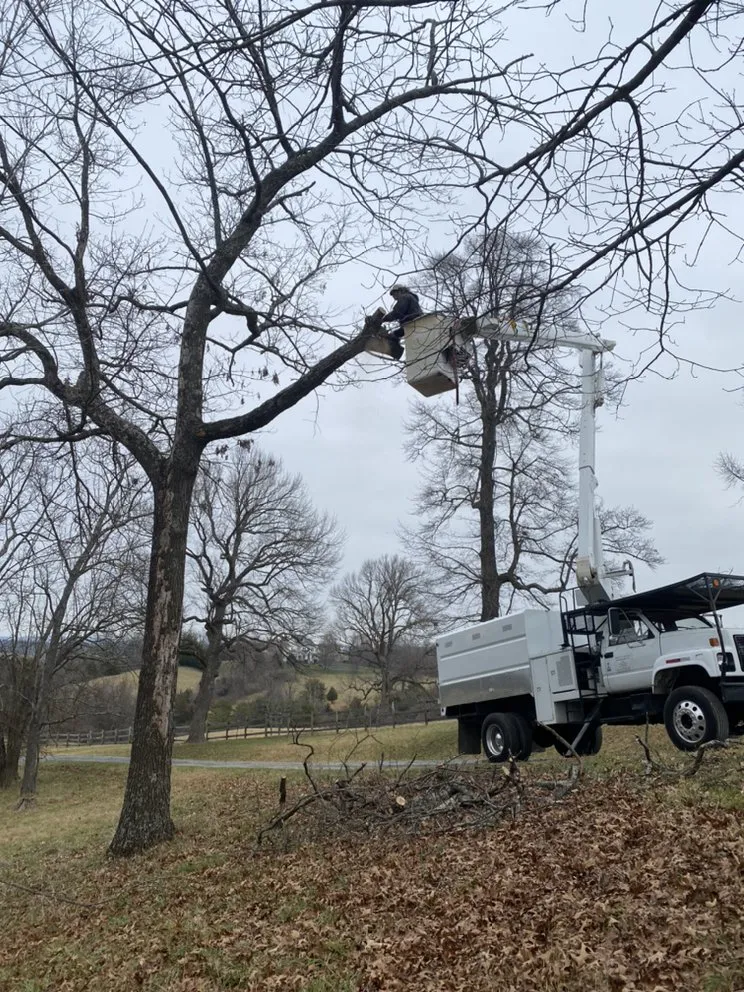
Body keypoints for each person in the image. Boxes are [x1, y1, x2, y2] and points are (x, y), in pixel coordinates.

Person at [381, 283, 422, 359]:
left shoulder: (405, 297)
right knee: (395, 335)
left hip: (412, 324)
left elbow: (397, 312)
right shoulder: (411, 298)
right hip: (414, 325)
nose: (394, 296)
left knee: (393, 336)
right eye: (392, 295)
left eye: (394, 293)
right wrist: (395, 334)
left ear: (400, 291)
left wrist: (383, 319)